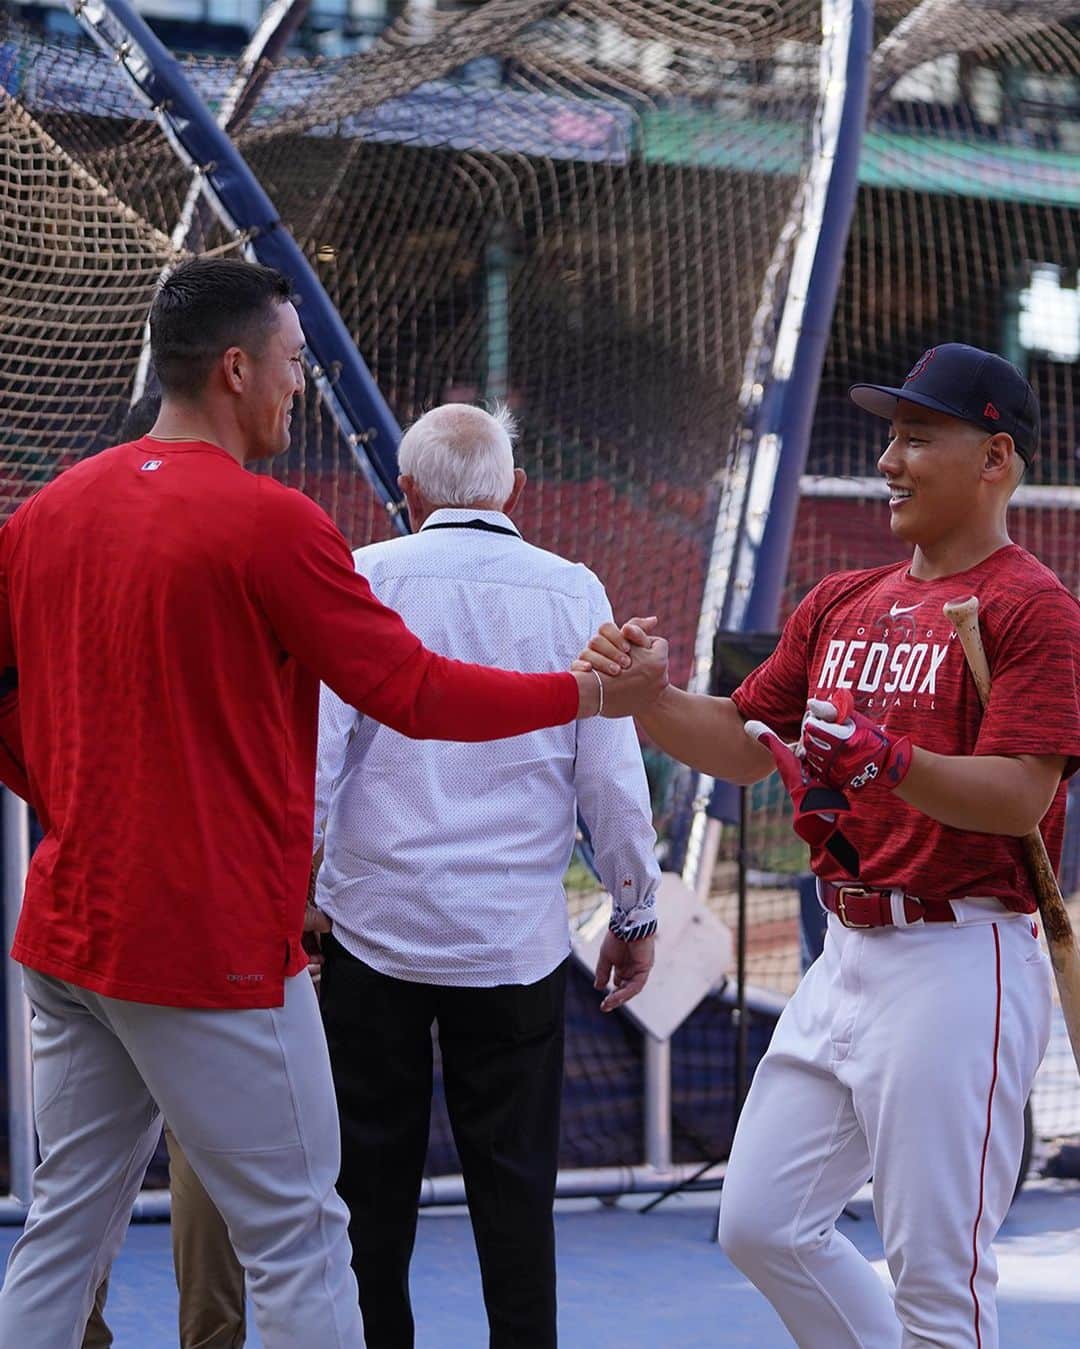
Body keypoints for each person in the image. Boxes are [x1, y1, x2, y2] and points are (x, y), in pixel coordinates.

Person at [0, 256, 668, 1349]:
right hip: (209, 944)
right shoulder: (276, 524)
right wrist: (590, 689)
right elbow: (411, 691)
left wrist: (69, 791)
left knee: (64, 1227)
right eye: (295, 361)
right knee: (306, 1239)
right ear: (234, 368)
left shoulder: (46, 512)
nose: (300, 386)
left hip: (71, 928)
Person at [578, 343, 1080, 1348]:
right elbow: (742, 743)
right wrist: (652, 700)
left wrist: (895, 761)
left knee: (941, 1282)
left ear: (996, 459)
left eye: (919, 437)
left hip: (960, 958)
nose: (889, 459)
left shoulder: (1034, 605)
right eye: (889, 436)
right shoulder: (841, 600)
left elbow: (1022, 793)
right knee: (761, 1221)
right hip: (842, 956)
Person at [312, 403, 661, 1349]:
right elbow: (611, 775)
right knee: (517, 1205)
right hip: (512, 942)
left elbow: (315, 758)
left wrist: (293, 902)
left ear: (409, 489)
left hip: (371, 934)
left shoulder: (362, 576)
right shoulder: (573, 590)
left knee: (365, 1206)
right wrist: (635, 909)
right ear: (514, 489)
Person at [80, 392, 247, 1349]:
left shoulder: (67, 542)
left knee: (89, 1166)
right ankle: (203, 1339)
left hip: (94, 904)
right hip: (187, 914)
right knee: (221, 1159)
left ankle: (86, 1327)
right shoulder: (237, 544)